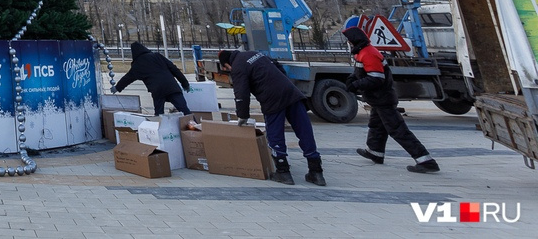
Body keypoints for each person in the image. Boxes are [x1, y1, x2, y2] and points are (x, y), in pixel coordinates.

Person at [217, 49, 325, 186]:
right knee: (304, 131)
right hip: (291, 92)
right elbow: (278, 67)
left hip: (272, 99)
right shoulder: (255, 53)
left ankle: (283, 172)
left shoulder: (238, 66)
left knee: (275, 134)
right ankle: (316, 172)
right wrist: (281, 84)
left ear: (227, 64)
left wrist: (242, 116)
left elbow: (241, 93)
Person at [344, 26, 440, 173]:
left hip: (383, 99)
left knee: (398, 130)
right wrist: (352, 81)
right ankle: (375, 152)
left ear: (355, 40)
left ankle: (425, 160)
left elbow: (376, 78)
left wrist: (355, 85)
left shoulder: (368, 53)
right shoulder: (362, 52)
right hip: (378, 99)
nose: (349, 43)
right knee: (376, 126)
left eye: (350, 40)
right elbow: (359, 72)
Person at [114, 41, 192, 115]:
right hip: (171, 87)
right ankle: (196, 127)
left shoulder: (137, 65)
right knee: (184, 110)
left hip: (158, 91)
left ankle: (160, 128)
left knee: (159, 115)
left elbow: (127, 78)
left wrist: (117, 87)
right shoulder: (157, 56)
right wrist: (185, 84)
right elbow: (174, 69)